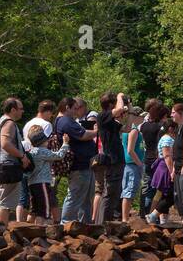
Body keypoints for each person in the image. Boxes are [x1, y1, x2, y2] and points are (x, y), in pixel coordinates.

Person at [55, 97, 97, 223]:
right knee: (75, 195)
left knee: (85, 198)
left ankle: (84, 224)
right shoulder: (65, 121)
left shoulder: (64, 120)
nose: (76, 112)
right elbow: (83, 135)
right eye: (74, 109)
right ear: (67, 107)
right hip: (79, 165)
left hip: (84, 164)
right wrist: (96, 131)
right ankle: (66, 223)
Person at [0, 98, 30, 224]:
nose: (22, 111)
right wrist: (22, 156)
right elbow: (5, 144)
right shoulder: (9, 123)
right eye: (20, 109)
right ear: (13, 109)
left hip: (0, 166)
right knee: (6, 204)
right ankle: (2, 233)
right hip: (8, 167)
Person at [94, 93, 126, 223]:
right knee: (109, 193)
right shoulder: (102, 116)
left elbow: (127, 126)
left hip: (117, 159)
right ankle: (102, 225)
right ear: (111, 104)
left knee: (115, 193)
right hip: (112, 159)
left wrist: (126, 109)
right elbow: (118, 110)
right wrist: (120, 96)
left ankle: (107, 223)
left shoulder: (110, 121)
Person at [24, 125, 65, 223]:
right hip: (42, 183)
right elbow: (59, 155)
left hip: (32, 183)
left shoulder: (31, 152)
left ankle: (27, 227)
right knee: (43, 211)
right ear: (42, 142)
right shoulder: (43, 151)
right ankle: (39, 232)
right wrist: (66, 144)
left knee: (33, 210)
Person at [147, 121, 177, 224]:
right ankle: (152, 216)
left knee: (162, 194)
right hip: (165, 168)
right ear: (170, 129)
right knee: (170, 194)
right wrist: (171, 171)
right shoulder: (167, 139)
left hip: (165, 167)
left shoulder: (167, 138)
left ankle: (161, 219)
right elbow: (167, 156)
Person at [138, 101, 166, 212]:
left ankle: (142, 212)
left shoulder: (144, 126)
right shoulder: (160, 127)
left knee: (146, 186)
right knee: (154, 188)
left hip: (146, 158)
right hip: (157, 159)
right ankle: (149, 212)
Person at [120, 106, 144, 222]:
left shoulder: (129, 129)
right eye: (141, 116)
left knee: (130, 190)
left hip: (131, 164)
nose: (143, 118)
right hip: (132, 164)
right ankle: (124, 219)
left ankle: (125, 217)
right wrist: (139, 163)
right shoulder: (133, 130)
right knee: (129, 191)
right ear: (135, 117)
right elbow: (130, 149)